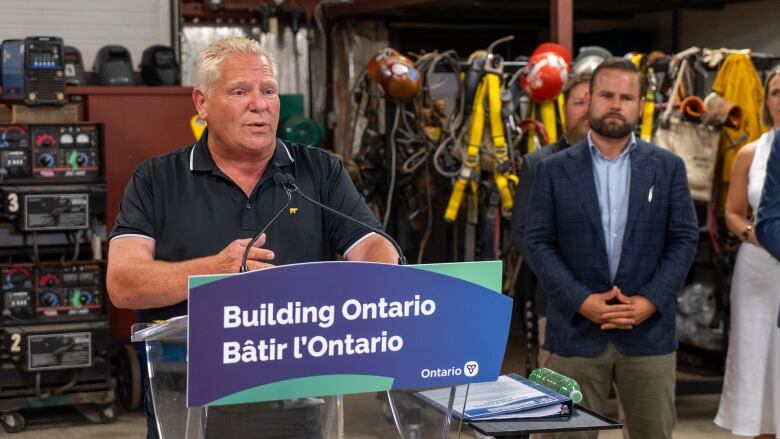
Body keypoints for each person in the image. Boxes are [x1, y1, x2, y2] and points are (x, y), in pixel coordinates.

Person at [106, 37, 398, 439]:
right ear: (202, 103)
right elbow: (123, 284)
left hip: (297, 398)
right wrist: (215, 269)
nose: (259, 104)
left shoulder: (319, 171)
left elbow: (369, 244)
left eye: (269, 91)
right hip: (187, 403)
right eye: (240, 91)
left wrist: (387, 276)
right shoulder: (157, 180)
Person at [525, 57, 698, 439]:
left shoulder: (668, 168)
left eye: (626, 97)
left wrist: (649, 301)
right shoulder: (553, 170)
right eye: (606, 95)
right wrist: (581, 300)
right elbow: (537, 241)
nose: (616, 104)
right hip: (574, 332)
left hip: (648, 333)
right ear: (589, 101)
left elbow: (684, 239)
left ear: (640, 105)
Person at [715, 67, 780, 438]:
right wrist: (757, 234)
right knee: (756, 364)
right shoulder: (750, 153)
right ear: (766, 100)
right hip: (758, 270)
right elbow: (732, 213)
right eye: (775, 92)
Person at [511, 70, 591, 368]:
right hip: (557, 299)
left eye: (590, 101)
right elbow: (521, 231)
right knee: (558, 388)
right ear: (564, 108)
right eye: (578, 102)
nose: (585, 110)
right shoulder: (539, 163)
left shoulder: (624, 164)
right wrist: (562, 279)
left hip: (615, 302)